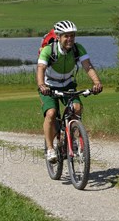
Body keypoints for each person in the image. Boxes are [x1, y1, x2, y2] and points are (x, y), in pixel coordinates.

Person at [37, 20, 103, 163]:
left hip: (68, 84)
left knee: (77, 108)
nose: (70, 39)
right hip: (49, 86)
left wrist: (96, 82)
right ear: (59, 37)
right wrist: (42, 84)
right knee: (51, 113)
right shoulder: (49, 50)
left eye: (72, 36)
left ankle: (72, 138)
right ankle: (49, 149)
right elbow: (41, 68)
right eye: (66, 36)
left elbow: (88, 66)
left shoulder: (78, 49)